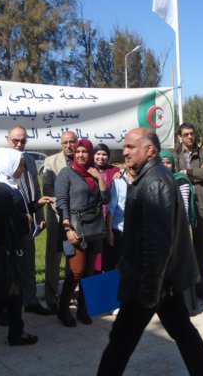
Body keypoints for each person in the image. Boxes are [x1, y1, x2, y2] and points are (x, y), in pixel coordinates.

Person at [97, 128, 203, 376]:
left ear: (150, 150)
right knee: (183, 332)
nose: (125, 152)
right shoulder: (151, 176)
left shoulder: (154, 181)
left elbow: (157, 241)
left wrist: (150, 287)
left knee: (120, 342)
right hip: (163, 279)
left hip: (149, 280)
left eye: (131, 147)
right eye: (125, 147)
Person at [0, 147, 48, 345]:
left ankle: (2, 327)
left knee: (13, 291)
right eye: (20, 165)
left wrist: (36, 205)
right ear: (9, 165)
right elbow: (1, 220)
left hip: (13, 246)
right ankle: (2, 326)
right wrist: (24, 218)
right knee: (12, 290)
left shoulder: (10, 187)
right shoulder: (1, 191)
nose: (23, 169)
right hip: (7, 248)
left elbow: (16, 210)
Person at [0, 126, 51, 316]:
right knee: (9, 269)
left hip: (27, 224)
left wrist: (39, 216)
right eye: (15, 140)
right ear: (8, 139)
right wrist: (17, 214)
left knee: (28, 263)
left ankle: (30, 301)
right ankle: (3, 310)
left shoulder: (28, 161)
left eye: (23, 141)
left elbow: (35, 191)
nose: (19, 144)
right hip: (8, 229)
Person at [55, 138, 111, 327]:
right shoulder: (66, 173)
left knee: (89, 271)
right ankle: (63, 309)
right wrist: (67, 228)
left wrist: (99, 178)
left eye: (84, 152)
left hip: (94, 227)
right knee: (77, 270)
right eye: (78, 151)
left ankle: (82, 309)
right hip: (75, 226)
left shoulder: (93, 173)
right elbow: (61, 202)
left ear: (90, 154)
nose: (80, 155)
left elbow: (106, 199)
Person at [171, 123, 203, 301]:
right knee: (180, 248)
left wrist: (187, 171)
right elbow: (173, 174)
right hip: (180, 205)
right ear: (179, 137)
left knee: (200, 250)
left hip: (201, 205)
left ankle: (200, 289)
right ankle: (182, 291)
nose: (189, 137)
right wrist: (197, 172)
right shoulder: (174, 154)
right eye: (185, 134)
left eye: (192, 133)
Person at [160, 149, 199, 313]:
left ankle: (186, 306)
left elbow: (184, 209)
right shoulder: (159, 180)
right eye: (162, 162)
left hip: (178, 231)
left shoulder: (180, 180)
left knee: (181, 267)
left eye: (168, 162)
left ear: (173, 164)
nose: (165, 165)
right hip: (163, 232)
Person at [41, 131, 77, 313]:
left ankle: (69, 294)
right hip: (57, 216)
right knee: (53, 257)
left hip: (78, 218)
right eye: (65, 142)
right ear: (61, 144)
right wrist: (65, 211)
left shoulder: (81, 159)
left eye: (72, 142)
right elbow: (48, 190)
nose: (69, 145)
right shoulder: (50, 161)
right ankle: (51, 297)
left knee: (74, 258)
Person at [93, 143, 120, 272]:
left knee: (109, 255)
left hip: (110, 219)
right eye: (98, 154)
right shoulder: (89, 170)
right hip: (94, 220)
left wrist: (120, 175)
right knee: (95, 258)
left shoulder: (115, 171)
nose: (101, 157)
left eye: (104, 154)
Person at [105, 165, 136, 271]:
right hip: (119, 230)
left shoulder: (144, 182)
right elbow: (111, 207)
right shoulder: (118, 182)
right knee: (117, 265)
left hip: (136, 231)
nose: (133, 168)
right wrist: (109, 230)